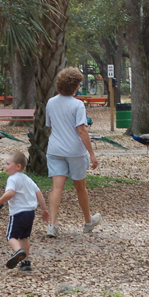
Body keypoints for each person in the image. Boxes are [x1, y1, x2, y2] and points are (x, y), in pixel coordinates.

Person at [45, 67, 101, 238]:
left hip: (55, 150)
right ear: (76, 86)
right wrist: (92, 153)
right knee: (80, 188)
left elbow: (51, 126)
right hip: (75, 152)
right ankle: (87, 221)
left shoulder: (51, 102)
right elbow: (82, 130)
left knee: (57, 187)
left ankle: (53, 225)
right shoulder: (78, 105)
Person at [0, 151, 49, 271]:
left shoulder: (13, 179)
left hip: (18, 213)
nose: (5, 166)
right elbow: (38, 193)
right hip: (30, 213)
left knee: (11, 236)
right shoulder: (27, 179)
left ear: (18, 166)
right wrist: (44, 210)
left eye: (8, 164)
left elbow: (10, 193)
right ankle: (25, 262)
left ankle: (18, 252)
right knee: (24, 237)